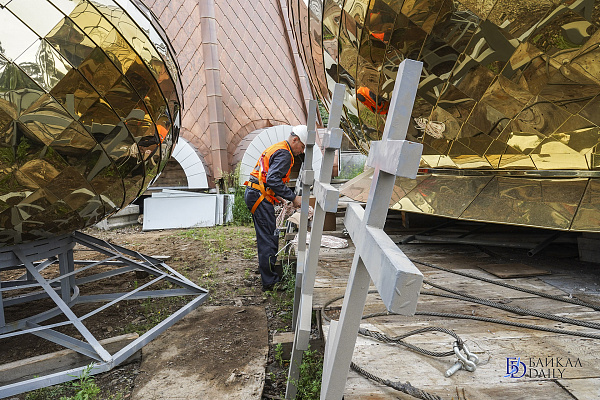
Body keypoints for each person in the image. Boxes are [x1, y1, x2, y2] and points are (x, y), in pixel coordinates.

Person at [244, 125, 307, 291]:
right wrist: (293, 198)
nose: (302, 151)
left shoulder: (280, 148)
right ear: (295, 140)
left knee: (267, 235)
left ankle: (267, 271)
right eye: (302, 147)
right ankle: (269, 281)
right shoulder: (285, 154)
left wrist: (279, 197)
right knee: (269, 237)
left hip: (256, 193)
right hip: (258, 196)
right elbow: (273, 179)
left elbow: (267, 178)